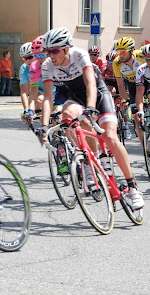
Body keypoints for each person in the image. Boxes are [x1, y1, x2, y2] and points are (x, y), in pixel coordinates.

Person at [39, 27, 144, 210]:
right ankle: (89, 161)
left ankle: (132, 186)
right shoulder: (47, 65)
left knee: (110, 137)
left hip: (99, 94)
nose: (50, 55)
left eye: (54, 50)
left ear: (66, 48)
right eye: (47, 51)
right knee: (66, 117)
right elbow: (48, 97)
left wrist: (91, 108)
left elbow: (91, 84)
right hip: (76, 96)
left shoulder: (79, 55)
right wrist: (43, 126)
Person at [112, 37, 150, 144]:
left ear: (132, 50)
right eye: (118, 51)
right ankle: (145, 147)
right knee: (136, 119)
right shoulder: (117, 63)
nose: (120, 54)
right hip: (133, 86)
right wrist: (127, 100)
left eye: (123, 51)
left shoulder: (141, 56)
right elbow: (120, 86)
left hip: (148, 81)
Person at [19, 42, 35, 122]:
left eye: (30, 57)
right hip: (36, 92)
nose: (28, 60)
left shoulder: (43, 63)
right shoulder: (24, 68)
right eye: (24, 58)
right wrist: (26, 110)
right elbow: (24, 92)